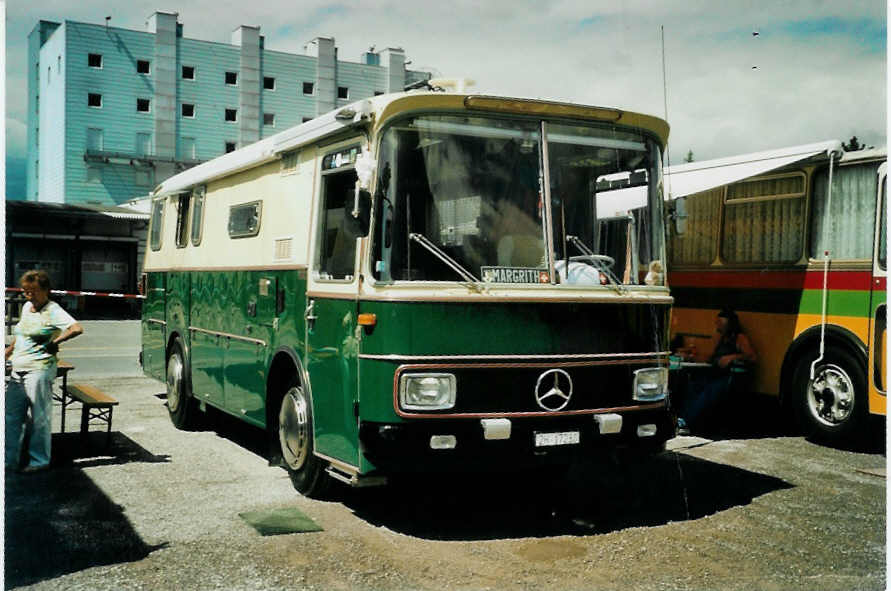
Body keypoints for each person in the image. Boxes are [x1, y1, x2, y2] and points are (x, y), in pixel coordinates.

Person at [5, 270, 83, 472]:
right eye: (26, 291)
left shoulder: (53, 309)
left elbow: (76, 328)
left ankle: (39, 460)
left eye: (33, 292)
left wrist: (55, 342)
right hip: (18, 367)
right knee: (11, 416)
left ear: (46, 290)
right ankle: (8, 459)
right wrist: (8, 351)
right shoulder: (26, 307)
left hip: (39, 368)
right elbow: (21, 334)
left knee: (38, 417)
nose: (29, 295)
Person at [677, 307, 756, 435]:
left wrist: (732, 357)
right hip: (714, 374)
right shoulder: (721, 338)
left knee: (709, 391)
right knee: (693, 385)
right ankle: (683, 418)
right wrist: (692, 357)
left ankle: (686, 421)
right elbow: (712, 358)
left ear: (728, 324)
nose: (717, 325)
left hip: (729, 377)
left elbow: (752, 357)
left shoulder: (739, 338)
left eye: (720, 322)